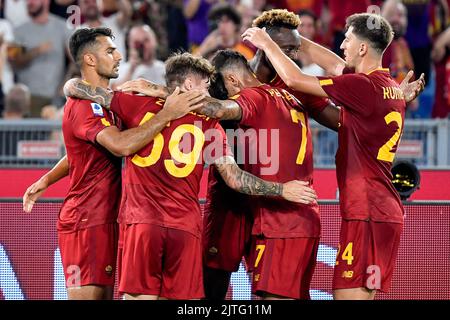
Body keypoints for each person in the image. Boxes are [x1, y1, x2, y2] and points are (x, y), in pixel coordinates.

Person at [64, 51, 318, 300]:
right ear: (188, 84)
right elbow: (235, 178)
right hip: (184, 230)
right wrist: (281, 190)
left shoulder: (134, 102)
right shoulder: (210, 125)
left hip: (142, 225)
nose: (209, 93)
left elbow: (78, 88)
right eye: (205, 86)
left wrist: (72, 83)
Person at [22, 27, 205, 300]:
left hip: (108, 218)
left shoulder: (106, 101)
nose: (119, 56)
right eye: (110, 51)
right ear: (90, 60)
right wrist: (167, 114)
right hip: (86, 220)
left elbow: (80, 151)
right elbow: (121, 145)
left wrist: (46, 179)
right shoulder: (85, 106)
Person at [243, 12, 413, 300]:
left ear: (362, 48)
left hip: (368, 212)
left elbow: (295, 78)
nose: (341, 46)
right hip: (378, 211)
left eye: (346, 40)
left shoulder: (362, 86)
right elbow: (336, 66)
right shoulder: (387, 86)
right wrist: (293, 39)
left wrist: (268, 43)